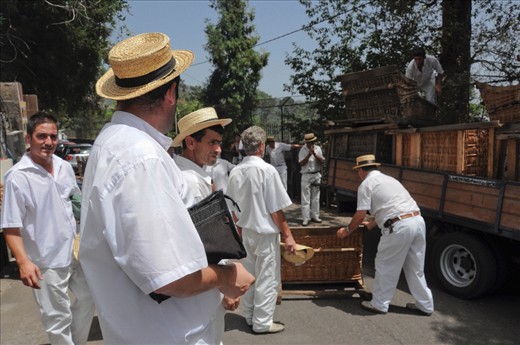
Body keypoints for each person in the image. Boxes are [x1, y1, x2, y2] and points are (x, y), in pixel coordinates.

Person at [79, 32, 254, 344]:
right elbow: (169, 278)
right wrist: (228, 276)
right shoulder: (141, 157)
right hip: (169, 335)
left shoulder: (114, 143)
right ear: (171, 93)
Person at [1, 112, 95, 345]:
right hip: (45, 260)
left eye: (53, 137)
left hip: (73, 252)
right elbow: (10, 225)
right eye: (41, 136)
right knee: (57, 316)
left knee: (89, 298)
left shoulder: (64, 167)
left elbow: (73, 201)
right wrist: (23, 262)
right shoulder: (18, 177)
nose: (49, 142)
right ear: (28, 138)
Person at [336, 154, 434, 316]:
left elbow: (360, 215)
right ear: (375, 167)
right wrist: (372, 224)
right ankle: (425, 305)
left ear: (360, 170)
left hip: (399, 226)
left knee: (385, 265)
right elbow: (390, 207)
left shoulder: (366, 184)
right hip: (416, 220)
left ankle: (379, 304)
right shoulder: (389, 180)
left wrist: (347, 231)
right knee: (415, 268)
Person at [171, 106, 237, 343]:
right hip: (204, 285)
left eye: (219, 143)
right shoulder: (190, 180)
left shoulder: (189, 174)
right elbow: (208, 242)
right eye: (212, 142)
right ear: (190, 142)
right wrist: (227, 282)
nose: (218, 149)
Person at [226, 126, 297, 334]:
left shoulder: (236, 171)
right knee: (267, 278)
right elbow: (276, 210)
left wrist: (238, 232)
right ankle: (262, 322)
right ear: (262, 147)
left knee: (249, 276)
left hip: (245, 231)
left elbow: (233, 209)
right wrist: (289, 236)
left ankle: (249, 316)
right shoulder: (267, 170)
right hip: (265, 234)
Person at [298, 133, 325, 226]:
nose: (311, 144)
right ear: (306, 142)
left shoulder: (318, 148)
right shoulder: (303, 149)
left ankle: (315, 216)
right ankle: (306, 218)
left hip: (316, 174)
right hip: (306, 175)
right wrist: (309, 155)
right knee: (305, 198)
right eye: (309, 142)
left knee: (316, 198)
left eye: (312, 142)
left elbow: (322, 161)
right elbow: (301, 163)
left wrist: (314, 154)